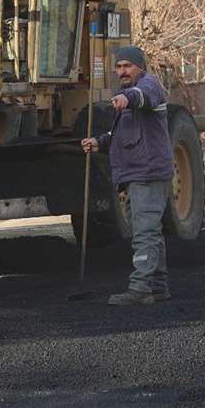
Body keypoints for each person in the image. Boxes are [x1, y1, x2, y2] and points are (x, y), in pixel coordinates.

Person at [81, 46, 175, 306]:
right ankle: (157, 286)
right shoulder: (124, 94)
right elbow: (122, 135)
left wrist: (128, 98)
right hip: (136, 173)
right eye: (119, 66)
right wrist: (99, 143)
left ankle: (140, 288)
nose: (122, 71)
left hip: (148, 172)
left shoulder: (149, 85)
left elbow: (143, 97)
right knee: (149, 231)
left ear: (140, 67)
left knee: (144, 232)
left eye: (127, 66)